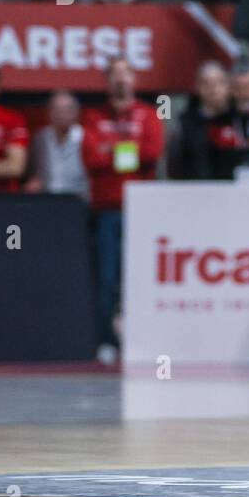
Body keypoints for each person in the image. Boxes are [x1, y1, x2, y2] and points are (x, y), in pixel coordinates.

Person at [80, 59, 163, 361]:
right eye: (115, 75)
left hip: (141, 212)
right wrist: (129, 151)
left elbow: (152, 153)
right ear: (107, 80)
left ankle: (141, 340)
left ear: (134, 79)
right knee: (107, 278)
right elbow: (91, 158)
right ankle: (106, 341)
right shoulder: (93, 116)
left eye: (126, 74)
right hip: (106, 211)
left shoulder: (148, 114)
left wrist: (111, 150)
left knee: (141, 277)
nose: (121, 80)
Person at [26, 89, 87, 198]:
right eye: (57, 109)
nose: (62, 114)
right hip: (48, 200)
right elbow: (35, 172)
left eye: (68, 109)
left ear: (77, 112)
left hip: (78, 200)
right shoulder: (41, 138)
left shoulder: (85, 137)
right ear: (49, 112)